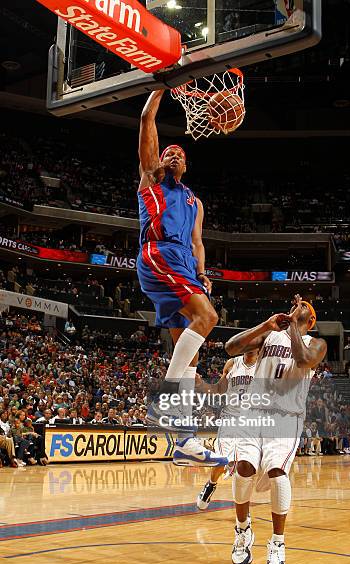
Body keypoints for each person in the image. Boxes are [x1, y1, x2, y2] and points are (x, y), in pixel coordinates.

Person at [136, 90, 226, 468]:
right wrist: (161, 86)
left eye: (180, 155)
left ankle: (184, 439)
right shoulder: (150, 181)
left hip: (185, 263)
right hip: (159, 253)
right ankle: (165, 405)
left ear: (186, 166)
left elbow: (198, 241)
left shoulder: (194, 201)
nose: (173, 156)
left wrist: (202, 274)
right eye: (168, 153)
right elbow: (146, 121)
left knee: (188, 359)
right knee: (209, 319)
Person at [224, 294, 327, 564]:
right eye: (297, 304)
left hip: (285, 417)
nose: (299, 304)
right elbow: (230, 347)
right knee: (243, 468)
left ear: (311, 319)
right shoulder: (270, 336)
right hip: (252, 411)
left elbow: (304, 360)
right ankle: (242, 530)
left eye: (304, 306)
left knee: (277, 472)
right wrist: (265, 326)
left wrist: (292, 323)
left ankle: (278, 545)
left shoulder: (315, 344)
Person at [196, 349, 259, 510]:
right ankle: (211, 484)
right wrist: (202, 384)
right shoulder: (232, 363)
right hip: (230, 418)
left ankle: (243, 509)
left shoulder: (264, 365)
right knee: (222, 459)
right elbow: (219, 389)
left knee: (246, 466)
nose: (248, 345)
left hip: (252, 421)